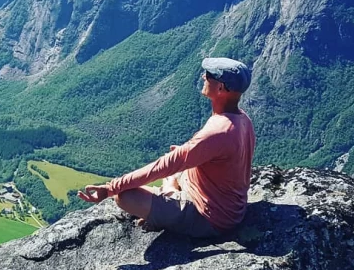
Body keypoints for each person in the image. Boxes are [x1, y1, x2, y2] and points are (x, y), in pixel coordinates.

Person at [77, 57, 255, 238]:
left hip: (209, 217)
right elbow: (228, 159)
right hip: (228, 206)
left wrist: (110, 189)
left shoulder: (217, 132)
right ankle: (169, 194)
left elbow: (164, 166)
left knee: (124, 197)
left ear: (221, 88)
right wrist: (193, 155)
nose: (203, 76)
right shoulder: (242, 119)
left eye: (209, 75)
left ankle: (167, 199)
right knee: (175, 163)